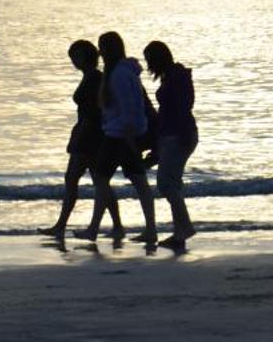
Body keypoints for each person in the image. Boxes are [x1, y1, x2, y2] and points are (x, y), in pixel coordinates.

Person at [79, 31, 159, 245]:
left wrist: (130, 137)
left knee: (103, 178)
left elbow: (131, 108)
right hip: (123, 132)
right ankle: (149, 229)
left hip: (120, 134)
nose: (99, 52)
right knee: (138, 181)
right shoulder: (123, 72)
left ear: (109, 49)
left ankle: (95, 229)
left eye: (102, 47)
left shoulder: (119, 75)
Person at [47, 39, 121, 238]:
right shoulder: (92, 77)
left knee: (76, 178)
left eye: (76, 56)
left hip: (89, 135)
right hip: (90, 134)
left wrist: (81, 134)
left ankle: (61, 225)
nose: (74, 61)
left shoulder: (95, 78)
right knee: (98, 181)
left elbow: (95, 110)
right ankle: (117, 226)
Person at [143, 40, 197, 248]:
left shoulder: (176, 77)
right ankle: (181, 231)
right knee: (170, 184)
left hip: (179, 134)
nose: (148, 65)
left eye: (149, 59)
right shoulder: (172, 76)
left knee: (166, 184)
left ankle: (183, 229)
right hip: (173, 134)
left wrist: (181, 133)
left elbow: (184, 106)